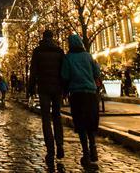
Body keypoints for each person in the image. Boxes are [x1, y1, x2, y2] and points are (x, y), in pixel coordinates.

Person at [61, 33, 101, 165]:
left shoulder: (68, 58)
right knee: (91, 122)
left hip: (77, 94)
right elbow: (97, 72)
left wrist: (64, 92)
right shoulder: (88, 56)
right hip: (91, 93)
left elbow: (65, 76)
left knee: (81, 124)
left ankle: (86, 154)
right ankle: (94, 148)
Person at [28, 29, 65, 161]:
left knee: (46, 119)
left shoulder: (37, 51)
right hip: (57, 89)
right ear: (53, 37)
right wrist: (64, 89)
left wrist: (30, 88)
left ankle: (50, 150)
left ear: (43, 37)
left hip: (43, 88)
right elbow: (63, 72)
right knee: (57, 117)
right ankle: (60, 144)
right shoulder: (59, 51)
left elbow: (33, 71)